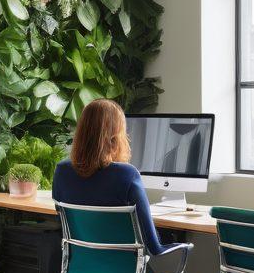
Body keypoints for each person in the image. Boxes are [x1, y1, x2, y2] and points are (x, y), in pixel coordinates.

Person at [53, 98, 171, 257]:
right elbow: (153, 248)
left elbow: (64, 224)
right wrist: (182, 244)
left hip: (80, 272)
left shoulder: (62, 171)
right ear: (116, 136)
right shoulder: (127, 175)